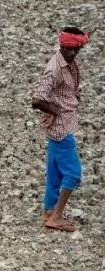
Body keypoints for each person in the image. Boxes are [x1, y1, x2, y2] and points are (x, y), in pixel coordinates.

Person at [31, 27, 89, 232]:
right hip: (62, 128)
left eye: (76, 49)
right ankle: (55, 217)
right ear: (61, 45)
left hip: (61, 126)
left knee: (55, 171)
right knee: (73, 174)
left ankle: (49, 209)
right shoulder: (55, 68)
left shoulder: (69, 63)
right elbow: (37, 99)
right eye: (68, 49)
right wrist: (55, 111)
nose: (72, 53)